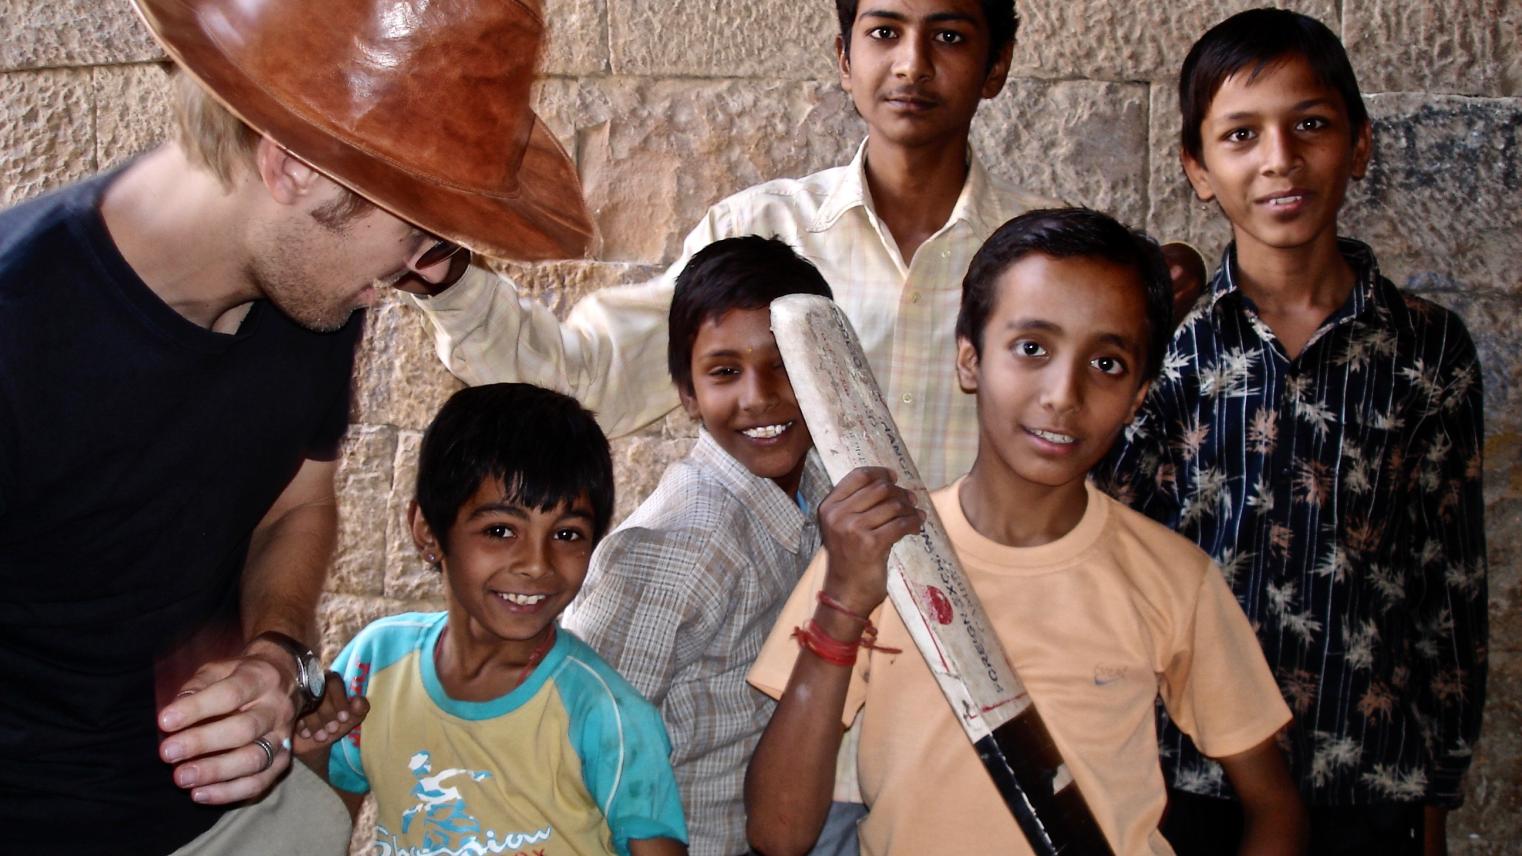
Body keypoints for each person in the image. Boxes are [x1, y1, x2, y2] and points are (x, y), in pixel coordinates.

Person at [0, 0, 592, 852]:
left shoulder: (310, 293)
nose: (417, 277)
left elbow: (296, 505)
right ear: (296, 167)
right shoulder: (20, 333)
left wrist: (279, 655)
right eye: (420, 236)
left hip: (243, 821)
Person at [746, 208, 1307, 855]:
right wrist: (844, 604)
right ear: (969, 359)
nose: (1062, 393)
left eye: (1107, 363)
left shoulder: (1172, 579)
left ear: (1140, 394)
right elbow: (778, 834)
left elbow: (1275, 808)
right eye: (1032, 348)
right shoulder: (872, 552)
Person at [1098, 10, 1487, 855]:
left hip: (1367, 773)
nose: (1280, 158)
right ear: (1198, 168)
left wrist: (1439, 782)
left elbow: (1447, 580)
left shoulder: (1427, 349)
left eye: (1310, 124)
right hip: (1183, 766)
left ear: (1358, 145)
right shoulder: (1164, 346)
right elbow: (1102, 541)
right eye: (1241, 134)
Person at [409, 0, 1068, 491]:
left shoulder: (1056, 260)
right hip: (790, 645)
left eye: (948, 36)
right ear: (845, 58)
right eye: (885, 32)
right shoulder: (763, 232)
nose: (912, 64)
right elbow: (590, 382)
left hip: (984, 647)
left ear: (996, 65)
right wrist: (451, 284)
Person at [296, 383, 688, 856]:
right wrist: (312, 755)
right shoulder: (377, 664)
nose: (537, 564)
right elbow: (324, 826)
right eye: (500, 530)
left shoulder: (607, 716)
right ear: (427, 531)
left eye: (567, 534)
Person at [560, 236, 835, 856]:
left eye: (787, 363)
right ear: (687, 393)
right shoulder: (678, 547)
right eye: (724, 372)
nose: (759, 395)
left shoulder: (818, 488)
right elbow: (583, 745)